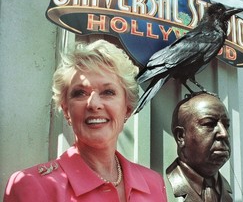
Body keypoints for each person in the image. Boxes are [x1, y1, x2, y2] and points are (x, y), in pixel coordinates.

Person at [4, 40, 167, 202]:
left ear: (128, 109)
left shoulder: (153, 183)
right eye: (80, 93)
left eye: (108, 92)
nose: (94, 104)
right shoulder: (31, 186)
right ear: (67, 110)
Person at [166, 92, 232, 202]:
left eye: (226, 125)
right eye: (209, 124)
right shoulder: (161, 185)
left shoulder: (225, 189)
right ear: (181, 136)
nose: (224, 134)